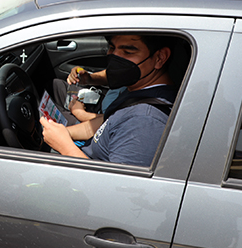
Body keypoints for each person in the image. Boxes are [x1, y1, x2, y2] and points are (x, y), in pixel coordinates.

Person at [40, 35, 178, 167]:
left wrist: (64, 146)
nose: (115, 57)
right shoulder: (140, 89)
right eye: (112, 48)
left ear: (160, 58)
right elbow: (107, 124)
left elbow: (111, 187)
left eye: (128, 51)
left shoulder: (144, 123)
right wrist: (65, 133)